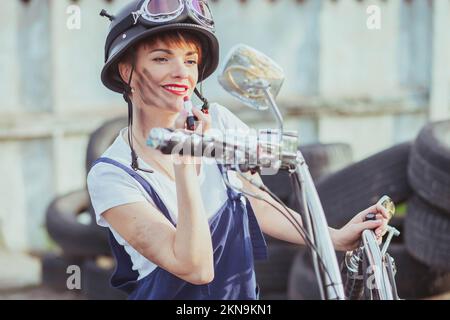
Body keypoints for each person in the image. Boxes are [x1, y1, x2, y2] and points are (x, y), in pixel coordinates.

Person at [87, 0, 391, 300]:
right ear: (126, 71)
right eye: (161, 59)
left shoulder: (219, 121)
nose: (182, 73)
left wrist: (334, 237)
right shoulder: (112, 175)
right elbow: (195, 268)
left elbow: (258, 202)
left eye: (190, 60)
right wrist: (186, 163)